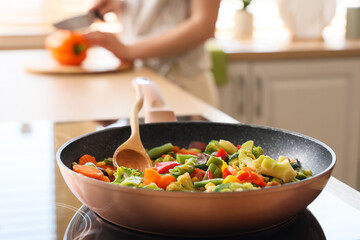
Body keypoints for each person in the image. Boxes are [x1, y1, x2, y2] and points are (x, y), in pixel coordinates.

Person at [84, 0, 221, 107]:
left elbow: (204, 25)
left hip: (182, 86)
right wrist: (119, 4)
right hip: (136, 82)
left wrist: (128, 50)